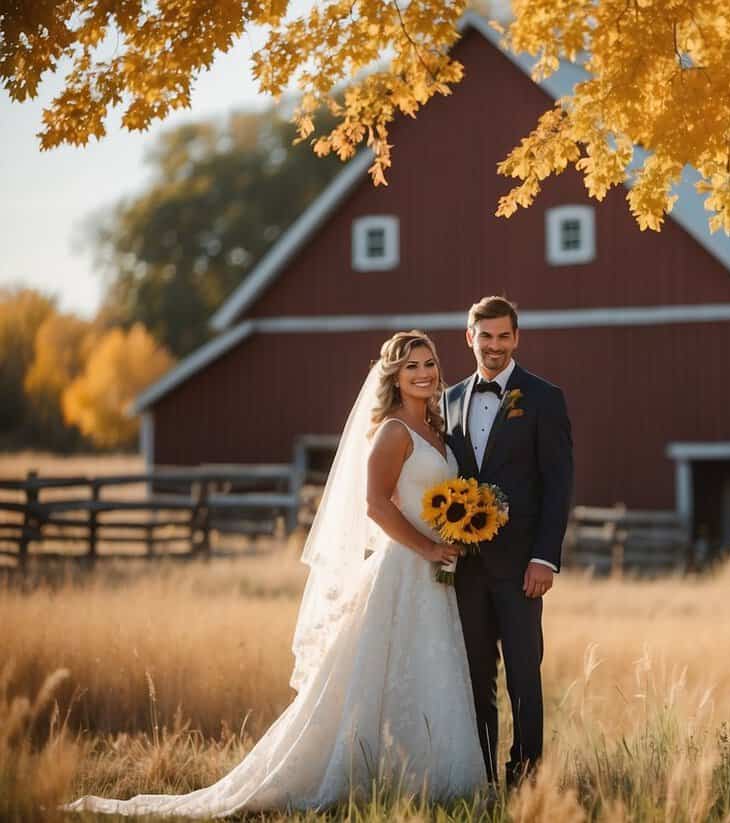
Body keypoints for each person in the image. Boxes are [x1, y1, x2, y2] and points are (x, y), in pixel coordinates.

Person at [64, 331, 486, 817]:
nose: (424, 373)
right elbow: (375, 505)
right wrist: (429, 546)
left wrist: (453, 538)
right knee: (380, 673)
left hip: (435, 572)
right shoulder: (394, 432)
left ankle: (436, 779)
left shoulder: (437, 426)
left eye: (430, 363)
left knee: (430, 665)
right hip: (404, 568)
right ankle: (368, 772)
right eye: (412, 366)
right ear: (394, 375)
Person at [443, 296, 574, 787]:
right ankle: (482, 777)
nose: (494, 346)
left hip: (523, 568)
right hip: (466, 569)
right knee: (476, 679)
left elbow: (558, 483)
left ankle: (526, 780)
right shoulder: (449, 399)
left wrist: (545, 558)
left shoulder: (544, 397)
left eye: (503, 337)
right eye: (485, 336)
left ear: (516, 338)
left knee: (523, 678)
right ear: (469, 337)